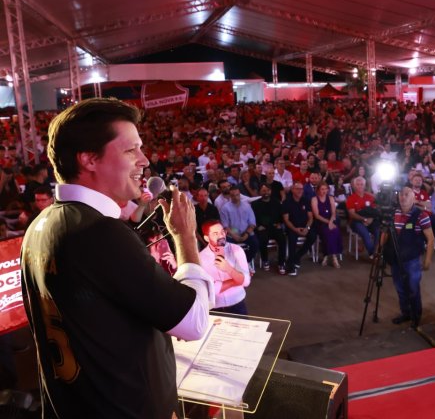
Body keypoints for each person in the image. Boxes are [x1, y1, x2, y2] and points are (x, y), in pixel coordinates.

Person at [21, 98, 213, 418]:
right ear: (89, 159)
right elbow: (193, 322)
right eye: (130, 150)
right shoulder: (98, 234)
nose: (145, 160)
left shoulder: (40, 226)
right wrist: (185, 237)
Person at [383, 186, 435, 328]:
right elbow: (386, 233)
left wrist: (428, 259)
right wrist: (380, 250)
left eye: (407, 194)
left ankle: (416, 316)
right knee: (399, 288)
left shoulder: (421, 215)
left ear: (414, 197)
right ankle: (405, 313)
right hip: (395, 259)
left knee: (413, 289)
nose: (403, 197)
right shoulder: (393, 213)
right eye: (401, 194)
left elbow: (430, 238)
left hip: (412, 261)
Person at [199, 220, 251, 315]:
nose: (221, 236)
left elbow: (246, 282)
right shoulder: (200, 257)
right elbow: (209, 289)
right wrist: (235, 280)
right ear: (206, 238)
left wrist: (229, 269)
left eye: (223, 231)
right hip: (214, 306)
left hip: (237, 302)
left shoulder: (236, 250)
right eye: (215, 233)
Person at [282, 182, 316, 276]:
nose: (300, 191)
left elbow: (310, 217)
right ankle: (291, 265)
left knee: (313, 236)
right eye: (298, 189)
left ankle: (297, 256)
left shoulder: (306, 200)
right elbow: (286, 219)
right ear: (292, 190)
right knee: (292, 240)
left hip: (305, 227)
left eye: (301, 189)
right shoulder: (287, 202)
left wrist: (307, 228)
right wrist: (295, 229)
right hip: (292, 227)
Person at [252, 183, 287, 273]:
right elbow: (252, 218)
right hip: (262, 228)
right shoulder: (255, 204)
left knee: (282, 240)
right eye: (263, 191)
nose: (266, 192)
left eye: (267, 190)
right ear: (260, 192)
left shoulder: (277, 202)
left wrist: (281, 224)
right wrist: (258, 226)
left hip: (275, 227)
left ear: (270, 191)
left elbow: (282, 216)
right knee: (262, 240)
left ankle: (281, 263)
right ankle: (265, 260)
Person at [220, 185, 259, 262]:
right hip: (232, 234)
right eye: (233, 195)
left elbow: (252, 223)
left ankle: (246, 261)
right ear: (230, 196)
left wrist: (246, 234)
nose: (235, 197)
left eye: (237, 195)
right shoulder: (225, 208)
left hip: (246, 232)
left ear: (240, 194)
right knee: (226, 248)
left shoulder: (247, 206)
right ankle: (234, 264)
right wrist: (234, 236)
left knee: (255, 245)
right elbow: (225, 226)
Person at [345, 176, 380, 260]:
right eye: (358, 184)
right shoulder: (351, 198)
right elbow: (352, 214)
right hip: (356, 221)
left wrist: (371, 219)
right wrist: (364, 219)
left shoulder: (370, 197)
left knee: (378, 232)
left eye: (362, 184)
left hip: (371, 220)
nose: (360, 186)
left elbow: (376, 209)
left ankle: (376, 253)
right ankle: (373, 254)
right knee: (365, 234)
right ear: (354, 186)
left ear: (364, 186)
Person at [311, 182, 343, 268]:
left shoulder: (331, 198)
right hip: (320, 221)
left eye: (326, 189)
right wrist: (328, 223)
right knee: (327, 232)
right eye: (322, 189)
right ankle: (333, 257)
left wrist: (331, 222)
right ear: (318, 190)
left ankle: (328, 256)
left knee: (335, 230)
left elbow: (333, 213)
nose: (324, 191)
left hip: (330, 220)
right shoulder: (314, 199)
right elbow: (316, 215)